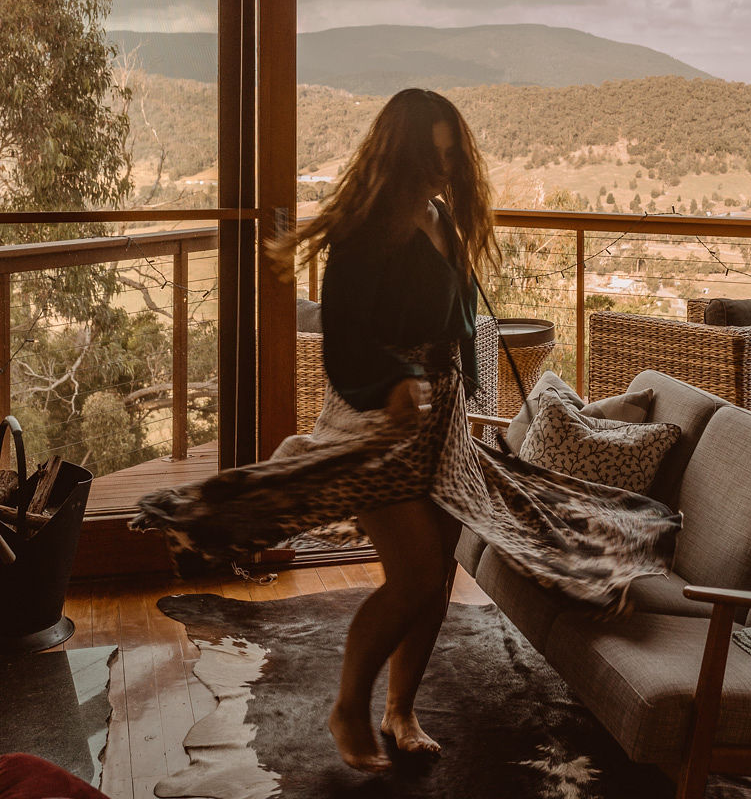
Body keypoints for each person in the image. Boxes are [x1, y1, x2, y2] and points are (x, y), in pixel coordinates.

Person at [132, 88, 681, 775]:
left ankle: (401, 709)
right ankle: (348, 705)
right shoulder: (364, 230)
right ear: (401, 154)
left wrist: (462, 390)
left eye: (453, 158)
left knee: (435, 572)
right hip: (379, 425)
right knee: (416, 572)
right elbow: (343, 347)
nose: (445, 170)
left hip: (441, 423)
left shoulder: (440, 216)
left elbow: (452, 318)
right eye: (433, 157)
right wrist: (392, 380)